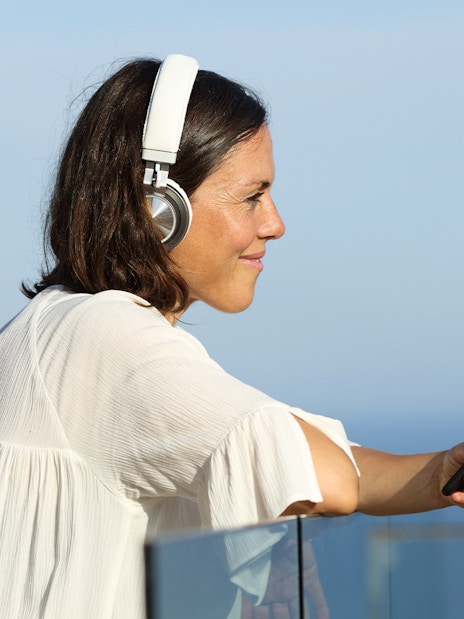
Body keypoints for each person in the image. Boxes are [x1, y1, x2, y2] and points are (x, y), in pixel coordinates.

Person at [0, 53, 462, 619]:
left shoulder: (56, 325)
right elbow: (328, 476)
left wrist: (439, 470)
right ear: (157, 208)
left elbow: (313, 464)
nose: (275, 223)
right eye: (251, 196)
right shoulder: (106, 338)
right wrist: (281, 516)